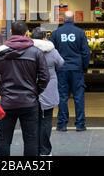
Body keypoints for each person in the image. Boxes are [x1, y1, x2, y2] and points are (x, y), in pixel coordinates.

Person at [0, 21, 50, 156]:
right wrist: (36, 91)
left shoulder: (1, 52)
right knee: (31, 140)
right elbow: (44, 77)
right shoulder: (36, 52)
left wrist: (2, 91)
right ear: (26, 33)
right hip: (29, 102)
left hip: (7, 102)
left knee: (4, 140)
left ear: (11, 33)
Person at [50, 10, 90, 132]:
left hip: (61, 69)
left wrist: (55, 67)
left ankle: (62, 125)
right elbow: (85, 52)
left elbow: (51, 51)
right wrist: (84, 67)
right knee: (78, 97)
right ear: (74, 19)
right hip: (76, 69)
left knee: (62, 97)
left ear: (63, 19)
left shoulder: (56, 33)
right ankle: (80, 124)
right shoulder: (80, 33)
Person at [31, 27, 64, 156]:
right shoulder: (52, 50)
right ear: (45, 37)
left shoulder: (29, 50)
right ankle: (45, 151)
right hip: (49, 87)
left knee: (33, 120)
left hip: (33, 88)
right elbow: (61, 63)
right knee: (47, 119)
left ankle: (35, 149)